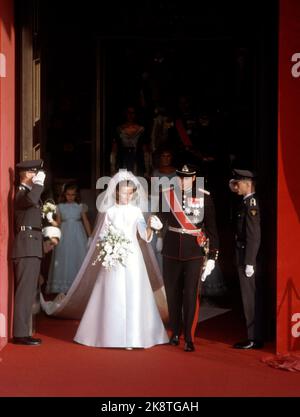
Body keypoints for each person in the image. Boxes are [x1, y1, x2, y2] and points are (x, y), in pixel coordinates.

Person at [74, 171, 169, 349]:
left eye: (130, 192)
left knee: (135, 294)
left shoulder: (136, 212)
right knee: (112, 294)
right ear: (116, 192)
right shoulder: (109, 212)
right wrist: (110, 247)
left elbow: (144, 236)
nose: (127, 195)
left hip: (133, 258)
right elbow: (101, 237)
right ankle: (107, 334)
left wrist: (151, 227)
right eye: (124, 192)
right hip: (113, 257)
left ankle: (135, 337)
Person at [157, 164, 219, 352]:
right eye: (180, 177)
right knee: (173, 294)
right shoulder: (166, 195)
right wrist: (157, 230)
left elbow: (212, 229)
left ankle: (189, 336)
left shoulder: (204, 196)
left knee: (190, 295)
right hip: (171, 250)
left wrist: (213, 257)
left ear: (193, 178)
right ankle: (175, 332)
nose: (183, 181)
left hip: (194, 252)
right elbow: (160, 218)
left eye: (186, 178)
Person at [11, 159, 46, 345]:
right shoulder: (22, 193)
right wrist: (38, 184)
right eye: (35, 173)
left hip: (31, 246)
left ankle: (23, 331)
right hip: (26, 248)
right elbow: (31, 200)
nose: (38, 176)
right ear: (27, 174)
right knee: (25, 292)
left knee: (29, 291)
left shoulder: (29, 194)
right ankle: (20, 334)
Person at [229, 169, 263, 349]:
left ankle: (253, 338)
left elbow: (253, 235)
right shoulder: (245, 202)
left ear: (248, 183)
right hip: (243, 254)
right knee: (249, 297)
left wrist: (250, 261)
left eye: (238, 182)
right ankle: (254, 335)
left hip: (247, 256)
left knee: (250, 298)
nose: (236, 186)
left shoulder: (251, 203)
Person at [46, 182, 92, 294]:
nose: (70, 197)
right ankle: (64, 287)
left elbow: (85, 221)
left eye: (73, 194)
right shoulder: (60, 207)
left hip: (78, 235)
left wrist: (91, 236)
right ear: (64, 194)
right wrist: (50, 219)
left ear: (76, 195)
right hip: (65, 234)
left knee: (78, 256)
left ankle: (78, 286)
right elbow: (58, 224)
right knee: (64, 257)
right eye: (68, 194)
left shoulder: (80, 207)